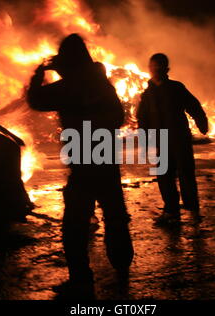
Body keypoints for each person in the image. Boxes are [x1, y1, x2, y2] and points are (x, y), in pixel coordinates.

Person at [26, 34, 134, 298]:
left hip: (84, 163)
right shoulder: (102, 84)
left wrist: (39, 73)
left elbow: (36, 100)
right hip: (106, 159)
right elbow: (119, 117)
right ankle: (122, 268)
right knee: (115, 215)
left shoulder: (69, 86)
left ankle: (81, 280)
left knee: (75, 223)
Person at [136, 53, 208, 225]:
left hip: (179, 138)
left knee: (185, 173)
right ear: (149, 69)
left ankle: (192, 208)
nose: (155, 69)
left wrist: (202, 122)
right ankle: (171, 210)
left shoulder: (176, 88)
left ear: (166, 69)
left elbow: (193, 105)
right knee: (164, 175)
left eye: (159, 66)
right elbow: (143, 118)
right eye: (153, 66)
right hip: (160, 140)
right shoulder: (147, 95)